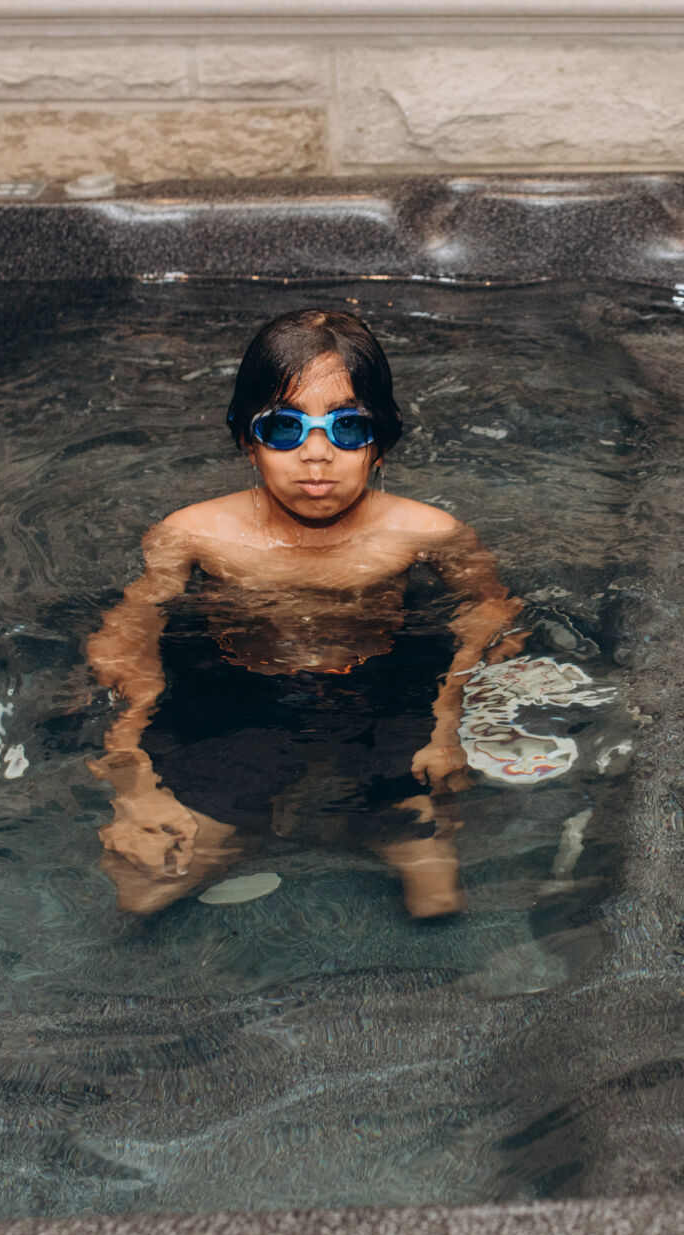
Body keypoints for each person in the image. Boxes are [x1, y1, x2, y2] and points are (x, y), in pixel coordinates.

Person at [85, 309, 522, 917]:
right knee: (144, 889)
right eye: (285, 427)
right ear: (247, 440)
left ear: (381, 443)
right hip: (239, 692)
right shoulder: (193, 535)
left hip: (383, 687)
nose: (317, 455)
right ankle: (255, 814)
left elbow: (491, 615)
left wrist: (447, 721)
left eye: (348, 427)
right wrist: (133, 773)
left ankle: (371, 814)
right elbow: (127, 639)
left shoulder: (426, 533)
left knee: (435, 891)